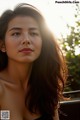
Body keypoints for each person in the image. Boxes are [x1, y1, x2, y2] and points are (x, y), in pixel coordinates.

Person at [0, 3, 67, 120]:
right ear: (2, 45)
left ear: (42, 42)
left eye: (33, 33)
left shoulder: (46, 85)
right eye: (16, 33)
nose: (26, 40)